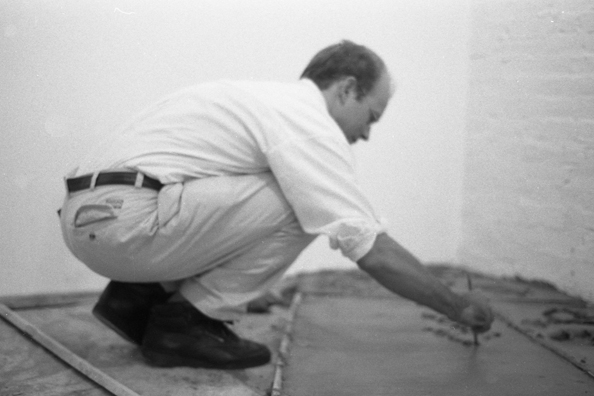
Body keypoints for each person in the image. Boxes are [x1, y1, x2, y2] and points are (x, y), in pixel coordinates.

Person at [59, 40, 494, 370]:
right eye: (371, 117)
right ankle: (181, 326)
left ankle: (139, 299)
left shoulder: (260, 101)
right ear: (346, 90)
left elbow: (211, 198)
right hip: (127, 223)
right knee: (309, 203)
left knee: (296, 189)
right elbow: (371, 250)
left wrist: (246, 288)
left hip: (93, 218)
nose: (365, 135)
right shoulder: (308, 125)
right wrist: (456, 307)